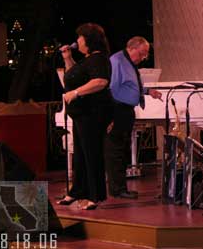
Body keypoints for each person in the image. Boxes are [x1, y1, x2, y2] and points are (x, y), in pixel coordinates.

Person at [57, 23, 112, 210]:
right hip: (81, 115)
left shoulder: (98, 59)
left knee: (91, 153)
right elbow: (74, 76)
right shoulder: (86, 60)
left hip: (93, 114)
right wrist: (68, 59)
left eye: (80, 37)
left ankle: (93, 195)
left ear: (88, 40)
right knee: (80, 154)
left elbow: (100, 81)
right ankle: (76, 191)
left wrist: (76, 93)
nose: (77, 40)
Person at [105, 36, 162, 199]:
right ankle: (117, 189)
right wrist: (110, 116)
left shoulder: (129, 63)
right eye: (142, 54)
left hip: (126, 110)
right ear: (132, 48)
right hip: (117, 109)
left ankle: (121, 187)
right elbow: (110, 88)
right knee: (115, 151)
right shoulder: (117, 61)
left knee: (122, 150)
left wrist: (148, 91)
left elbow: (132, 85)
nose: (144, 58)